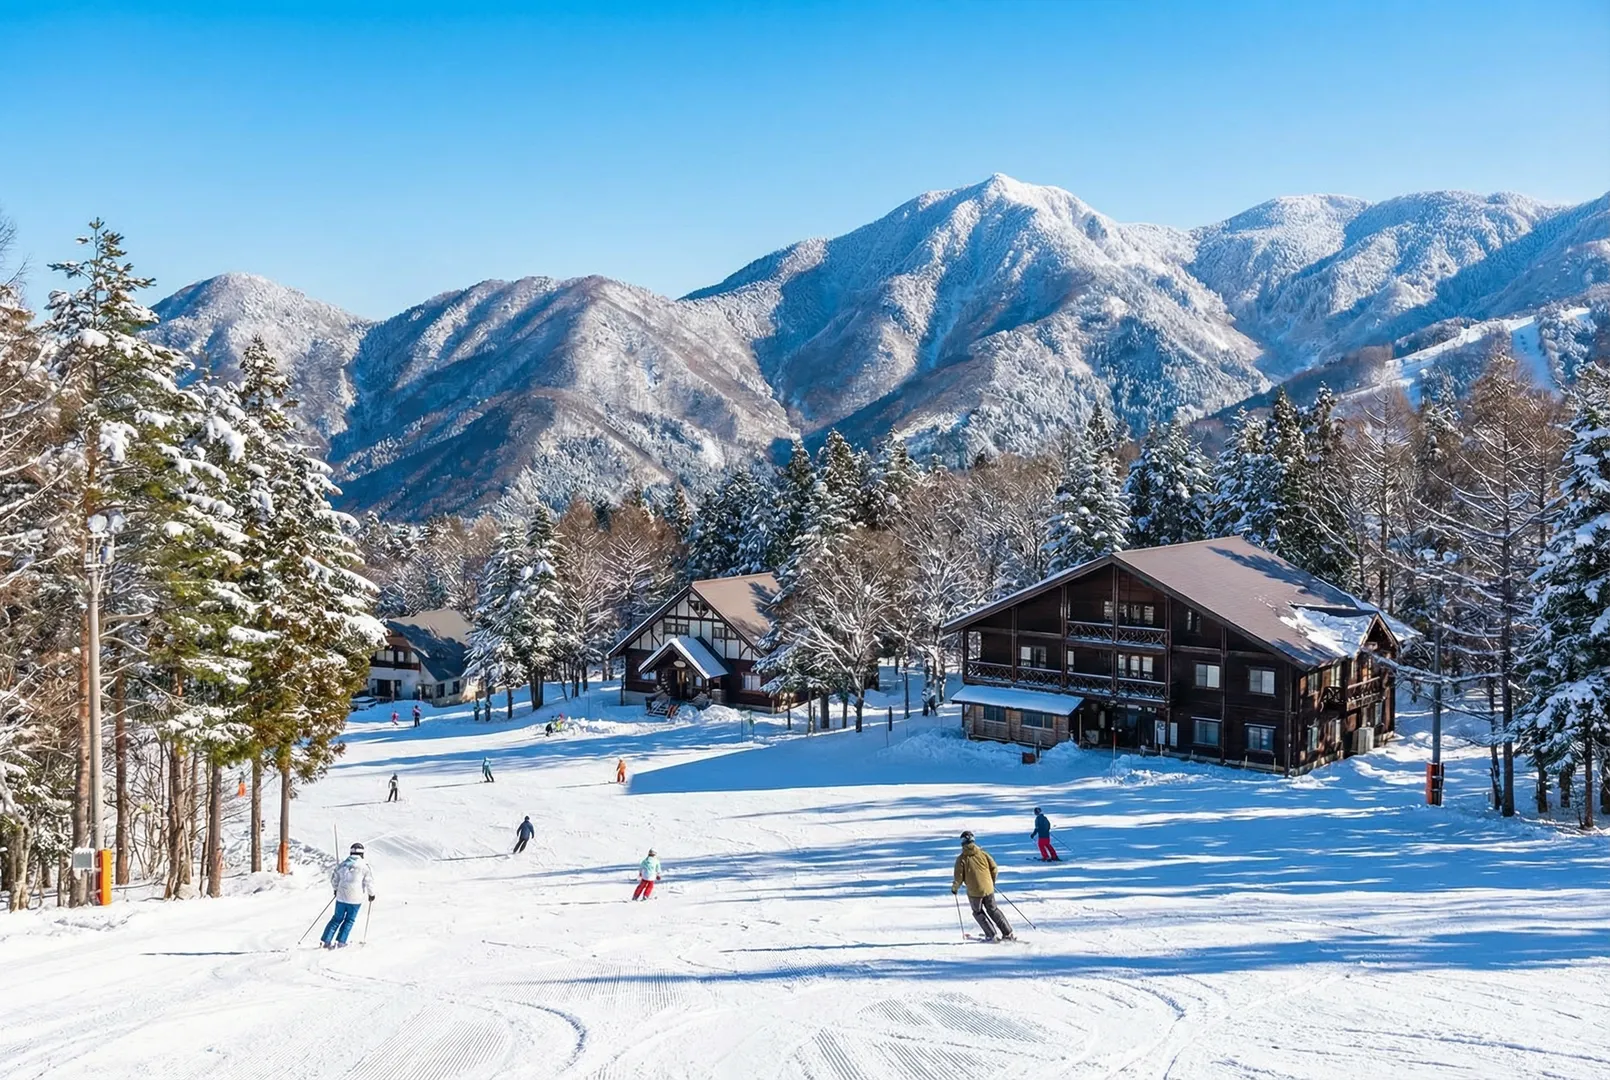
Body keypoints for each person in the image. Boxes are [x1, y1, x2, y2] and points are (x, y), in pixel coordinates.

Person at [951, 830, 1013, 941]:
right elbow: (994, 868)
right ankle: (1007, 932)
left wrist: (954, 888)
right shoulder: (983, 854)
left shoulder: (961, 859)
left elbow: (958, 877)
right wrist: (991, 881)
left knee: (978, 912)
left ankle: (991, 934)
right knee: (993, 909)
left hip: (974, 892)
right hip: (988, 888)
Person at [320, 842, 376, 949]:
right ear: (362, 854)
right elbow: (369, 882)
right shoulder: (364, 867)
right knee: (349, 920)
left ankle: (326, 941)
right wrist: (371, 894)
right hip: (355, 899)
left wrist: (336, 889)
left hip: (341, 897)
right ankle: (341, 942)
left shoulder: (342, 865)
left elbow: (334, 879)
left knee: (336, 919)